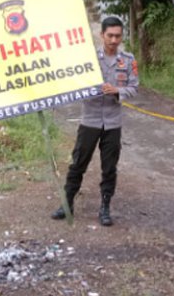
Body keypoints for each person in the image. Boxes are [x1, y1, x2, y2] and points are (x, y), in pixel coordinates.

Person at [51, 16, 139, 226]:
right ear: (102, 35)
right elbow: (73, 82)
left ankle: (105, 208)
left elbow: (134, 88)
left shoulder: (127, 60)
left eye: (118, 36)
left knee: (109, 168)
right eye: (110, 35)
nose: (114, 40)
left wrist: (118, 91)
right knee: (78, 163)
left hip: (113, 123)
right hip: (89, 119)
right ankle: (67, 202)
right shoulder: (88, 59)